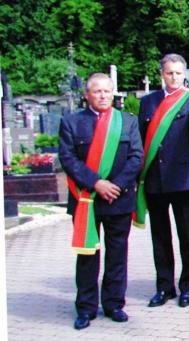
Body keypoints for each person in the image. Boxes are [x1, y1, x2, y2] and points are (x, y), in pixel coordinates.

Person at [59, 73, 143, 330]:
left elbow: (136, 156)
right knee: (87, 256)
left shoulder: (127, 121)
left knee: (117, 254)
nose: (103, 96)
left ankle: (114, 304)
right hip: (87, 199)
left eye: (107, 91)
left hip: (119, 198)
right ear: (87, 95)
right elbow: (68, 158)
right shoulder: (72, 122)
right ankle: (85, 308)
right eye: (97, 91)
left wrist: (115, 186)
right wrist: (96, 183)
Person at [138, 54, 189, 308]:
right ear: (162, 74)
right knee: (160, 237)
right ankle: (164, 287)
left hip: (181, 178)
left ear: (184, 75)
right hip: (154, 179)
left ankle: (187, 286)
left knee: (187, 236)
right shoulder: (148, 102)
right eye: (170, 73)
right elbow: (141, 138)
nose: (174, 77)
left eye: (179, 73)